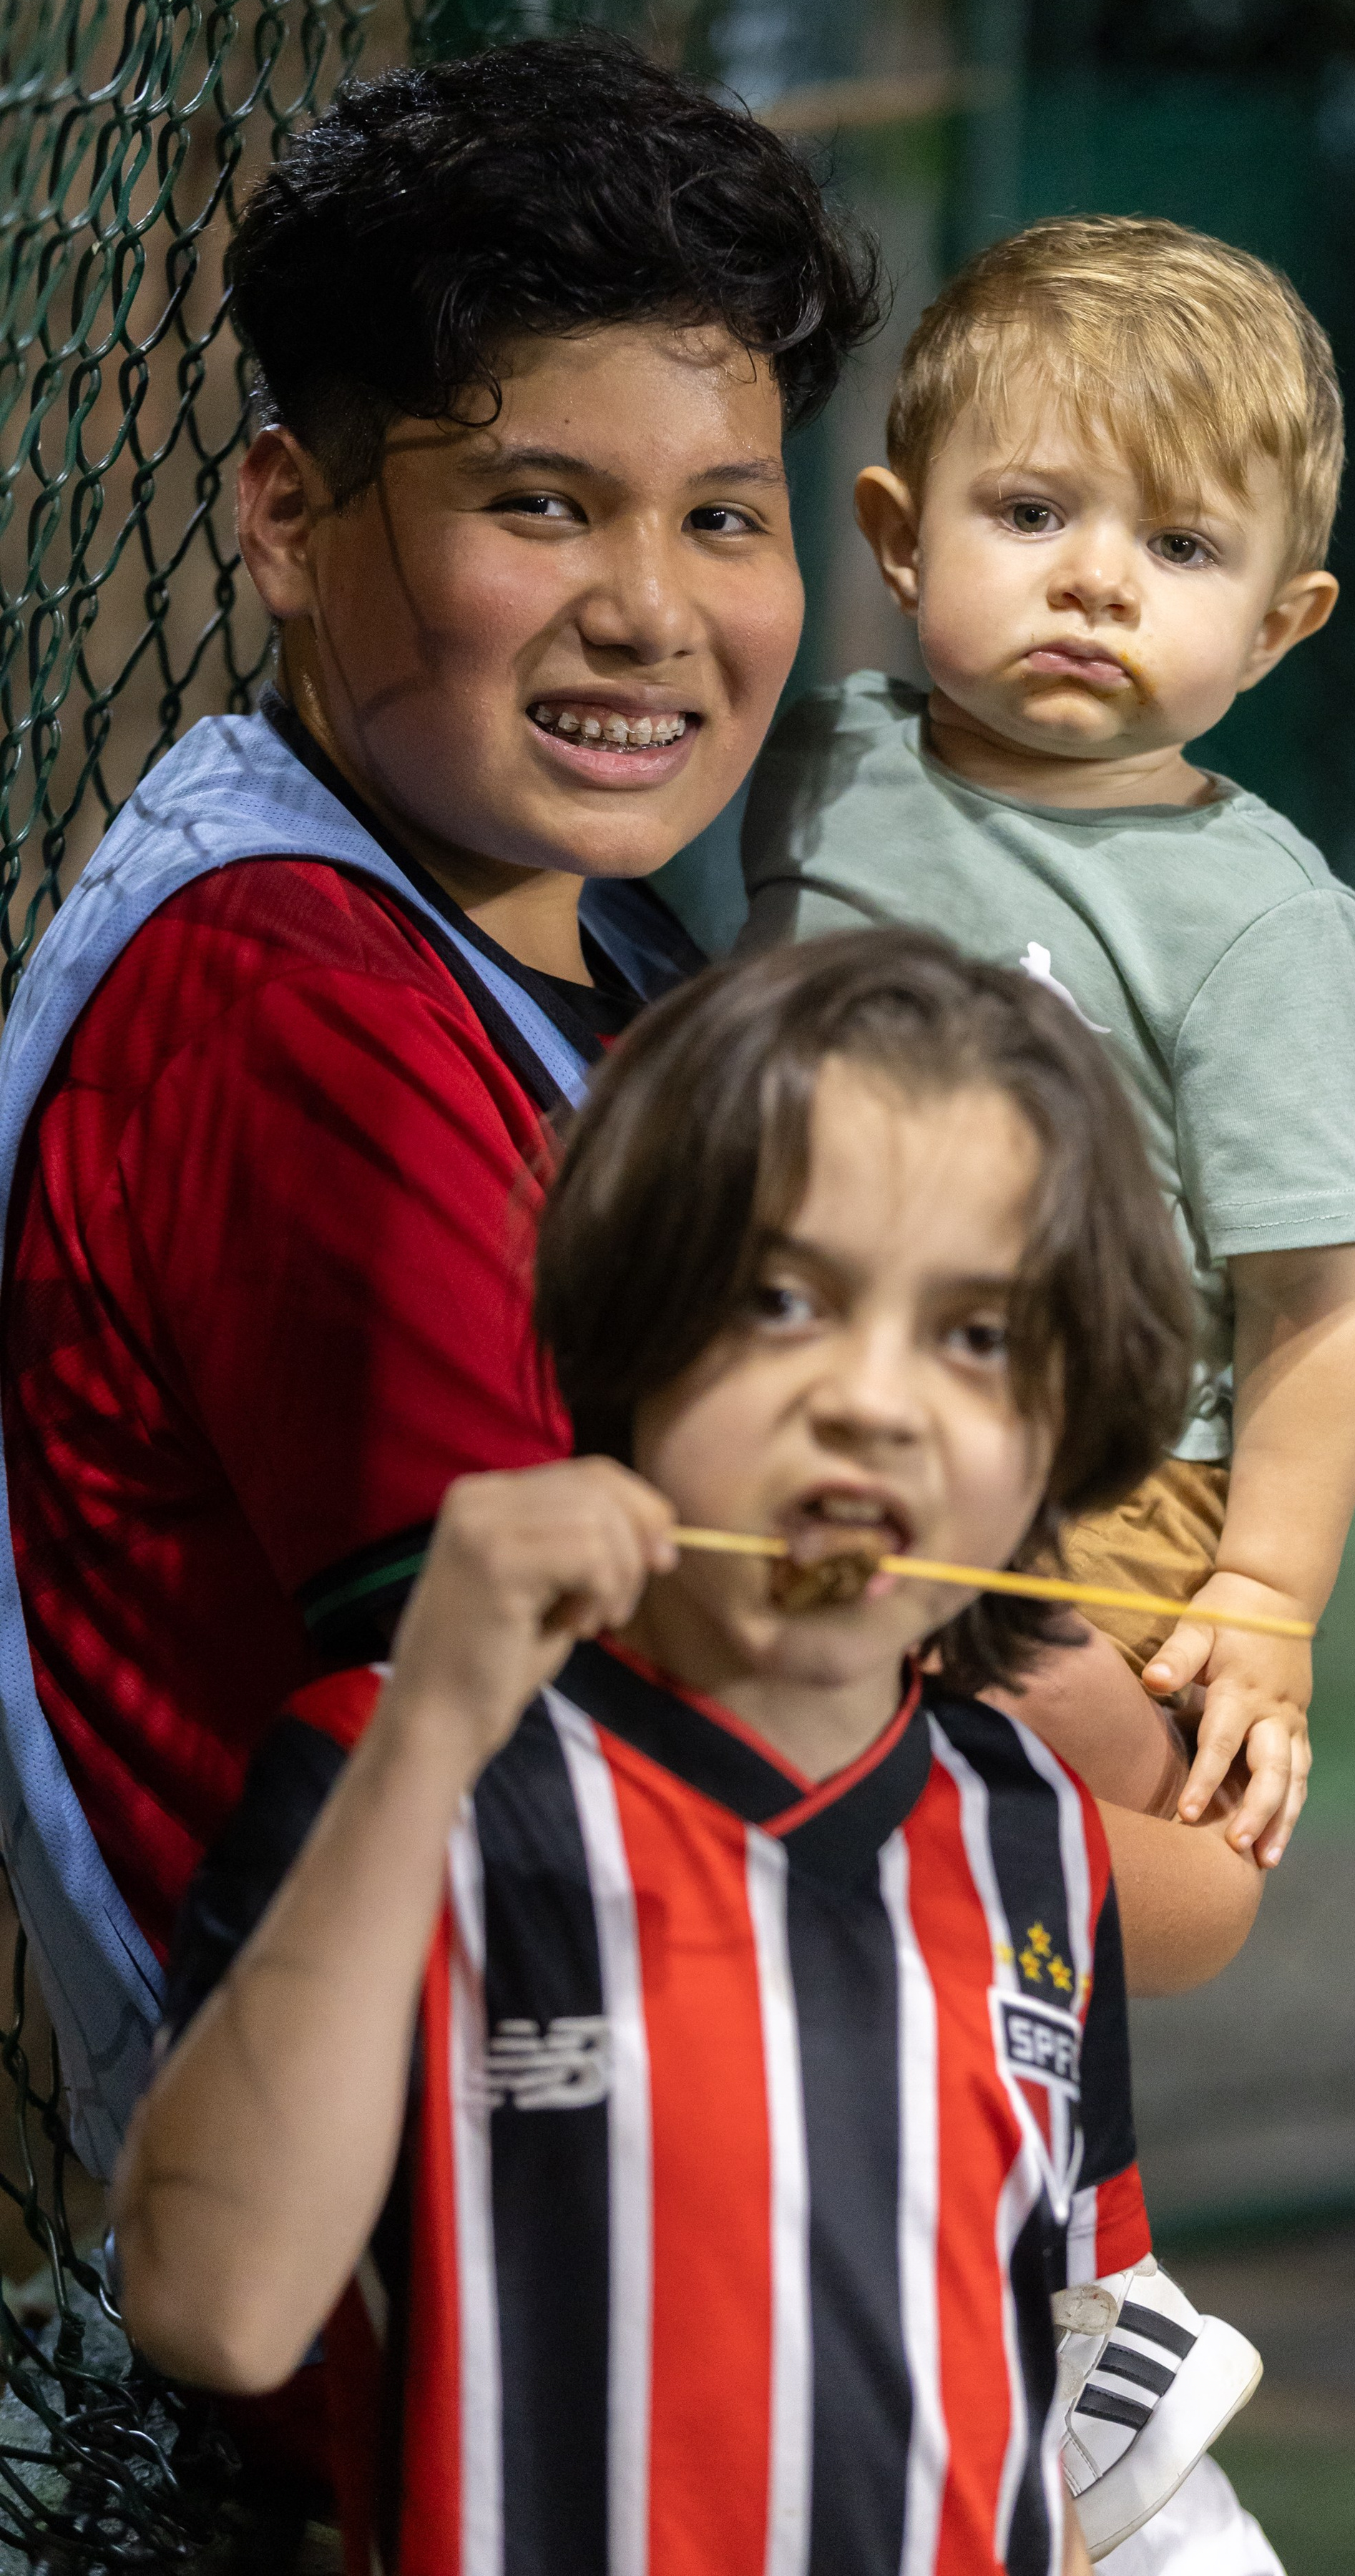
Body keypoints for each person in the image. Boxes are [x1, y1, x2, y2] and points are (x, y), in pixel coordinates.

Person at [113, 931, 1271, 2576]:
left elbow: (1051, 2385)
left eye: (974, 1337)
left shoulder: (1033, 1835)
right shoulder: (398, 1768)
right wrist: (436, 1715)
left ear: (1057, 1442)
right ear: (626, 1328)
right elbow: (214, 2312)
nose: (871, 1401)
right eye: (784, 1299)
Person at [0, 31, 879, 2185]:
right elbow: (585, 1761)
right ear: (292, 520)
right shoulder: (284, 988)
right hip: (449, 2271)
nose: (651, 611)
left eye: (723, 518)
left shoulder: (597, 928)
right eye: (541, 503)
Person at [742, 216, 1355, 1853]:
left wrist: (1261, 1588)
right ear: (896, 540)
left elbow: (1313, 1301)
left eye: (1181, 549)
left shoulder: (1259, 920)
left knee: (985, 1857)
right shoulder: (816, 755)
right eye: (1029, 514)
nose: (1094, 578)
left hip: (1086, 1485)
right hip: (792, 1393)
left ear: (1274, 627)